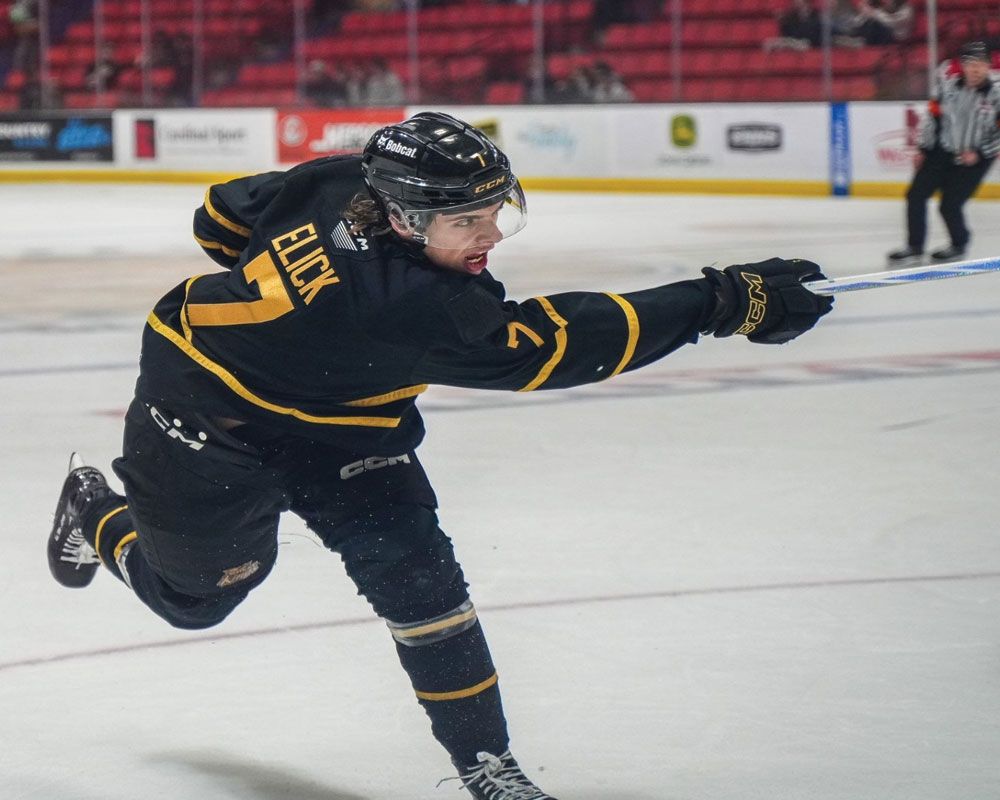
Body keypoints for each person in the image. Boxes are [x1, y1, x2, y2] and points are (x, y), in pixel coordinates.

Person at [47, 112, 833, 799]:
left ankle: (488, 765)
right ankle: (93, 507)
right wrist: (728, 300)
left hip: (346, 423)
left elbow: (219, 217)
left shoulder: (339, 178)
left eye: (498, 210)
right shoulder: (417, 307)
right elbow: (557, 346)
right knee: (195, 600)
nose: (491, 234)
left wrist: (295, 307)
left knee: (420, 581)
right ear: (403, 217)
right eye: (468, 222)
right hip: (204, 413)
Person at [888, 42, 1000, 264]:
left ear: (988, 66)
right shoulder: (947, 88)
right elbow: (932, 120)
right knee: (916, 195)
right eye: (970, 64)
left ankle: (958, 244)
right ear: (963, 66)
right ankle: (914, 246)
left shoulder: (996, 95)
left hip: (975, 160)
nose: (975, 69)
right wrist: (923, 148)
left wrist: (979, 153)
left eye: (980, 64)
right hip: (941, 152)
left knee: (949, 204)